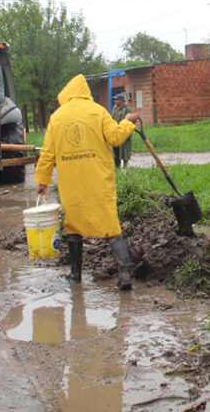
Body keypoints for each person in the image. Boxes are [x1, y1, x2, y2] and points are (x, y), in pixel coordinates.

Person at [34, 74, 140, 290]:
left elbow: (47, 154)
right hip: (99, 181)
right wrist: (127, 123)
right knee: (111, 225)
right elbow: (116, 138)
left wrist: (43, 181)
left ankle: (75, 275)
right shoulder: (97, 111)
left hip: (71, 184)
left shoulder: (57, 117)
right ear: (85, 92)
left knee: (73, 225)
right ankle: (125, 273)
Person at [110, 94, 133, 168]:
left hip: (125, 132)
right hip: (116, 132)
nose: (115, 101)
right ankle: (117, 167)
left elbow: (130, 120)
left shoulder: (127, 109)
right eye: (114, 100)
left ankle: (126, 166)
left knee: (125, 151)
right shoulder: (114, 108)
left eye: (116, 100)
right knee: (116, 151)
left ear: (121, 101)